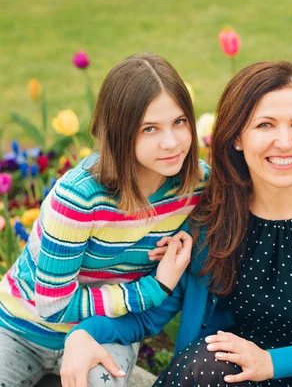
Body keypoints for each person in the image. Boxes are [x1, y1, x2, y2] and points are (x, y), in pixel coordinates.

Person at [60, 61, 292, 387]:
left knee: (212, 365)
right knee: (212, 362)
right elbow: (152, 316)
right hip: (218, 377)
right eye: (265, 125)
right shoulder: (215, 214)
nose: (285, 141)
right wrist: (84, 334)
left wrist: (270, 364)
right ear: (237, 137)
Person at [0, 53, 205, 387]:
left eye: (179, 122)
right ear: (120, 133)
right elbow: (54, 306)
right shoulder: (80, 197)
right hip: (20, 329)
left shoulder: (197, 185)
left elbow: (259, 180)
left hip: (105, 334)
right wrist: (154, 288)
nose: (171, 143)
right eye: (150, 128)